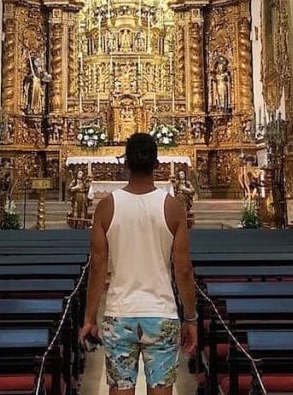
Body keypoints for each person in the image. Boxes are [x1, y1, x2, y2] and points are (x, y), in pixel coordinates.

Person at [80, 133, 197, 395]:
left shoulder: (107, 207)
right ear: (157, 164)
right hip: (161, 311)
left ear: (126, 163)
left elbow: (98, 268)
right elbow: (183, 270)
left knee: (120, 388)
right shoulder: (173, 207)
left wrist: (89, 317)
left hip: (120, 312)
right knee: (161, 390)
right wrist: (191, 317)